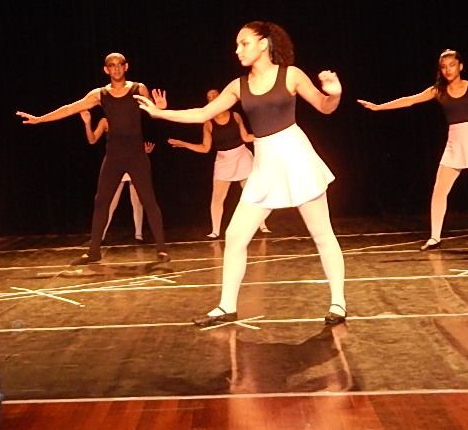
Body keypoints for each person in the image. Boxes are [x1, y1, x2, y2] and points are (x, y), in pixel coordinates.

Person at [137, 21, 347, 327]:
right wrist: (160, 113)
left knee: (322, 234)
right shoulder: (238, 85)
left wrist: (334, 93)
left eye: (244, 43)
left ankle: (338, 303)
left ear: (263, 43)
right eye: (237, 44)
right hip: (264, 163)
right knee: (235, 235)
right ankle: (226, 306)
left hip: (296, 157)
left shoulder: (291, 75)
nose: (238, 50)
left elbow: (325, 107)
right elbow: (203, 113)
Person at [18, 53, 170, 264]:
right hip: (114, 156)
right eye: (111, 65)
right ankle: (94, 251)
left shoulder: (138, 89)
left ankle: (161, 249)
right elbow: (70, 108)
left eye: (119, 64)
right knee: (101, 201)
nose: (116, 68)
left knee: (149, 200)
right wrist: (39, 119)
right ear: (106, 70)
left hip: (136, 155)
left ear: (126, 67)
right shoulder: (99, 94)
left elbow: (153, 112)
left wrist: (161, 109)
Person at [358, 49, 468, 250]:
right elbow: (410, 100)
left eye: (452, 65)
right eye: (443, 67)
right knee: (439, 191)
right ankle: (435, 237)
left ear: (460, 66)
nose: (448, 70)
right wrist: (378, 107)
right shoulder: (438, 91)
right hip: (455, 144)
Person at [165, 88, 268, 239]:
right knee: (217, 198)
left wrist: (265, 135)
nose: (212, 97)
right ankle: (215, 230)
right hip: (223, 161)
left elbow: (246, 137)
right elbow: (205, 148)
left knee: (252, 192)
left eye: (215, 94)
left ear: (221, 97)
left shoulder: (235, 115)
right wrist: (184, 144)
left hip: (242, 156)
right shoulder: (208, 123)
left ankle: (262, 225)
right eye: (209, 96)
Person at [84, 112, 149, 243]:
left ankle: (138, 235)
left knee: (137, 202)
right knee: (109, 203)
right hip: (115, 164)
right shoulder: (105, 121)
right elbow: (92, 140)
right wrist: (87, 123)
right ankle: (99, 236)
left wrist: (143, 152)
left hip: (132, 162)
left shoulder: (129, 117)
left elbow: (134, 141)